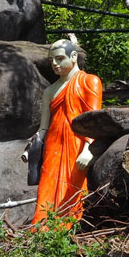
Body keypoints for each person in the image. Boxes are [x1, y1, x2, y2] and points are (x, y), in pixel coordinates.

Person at [27, 38, 102, 226]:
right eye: (51, 60)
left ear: (74, 56)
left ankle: (69, 227)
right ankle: (42, 228)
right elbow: (43, 127)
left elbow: (94, 121)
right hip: (53, 145)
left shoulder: (89, 81)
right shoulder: (50, 90)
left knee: (73, 186)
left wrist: (88, 149)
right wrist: (32, 146)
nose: (55, 64)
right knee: (47, 187)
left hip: (76, 143)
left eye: (60, 59)